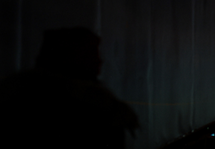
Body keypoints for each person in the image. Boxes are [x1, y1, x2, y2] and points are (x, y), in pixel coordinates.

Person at [0, 27, 139, 148]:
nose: (100, 61)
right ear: (76, 57)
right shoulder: (94, 107)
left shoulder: (16, 96)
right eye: (92, 53)